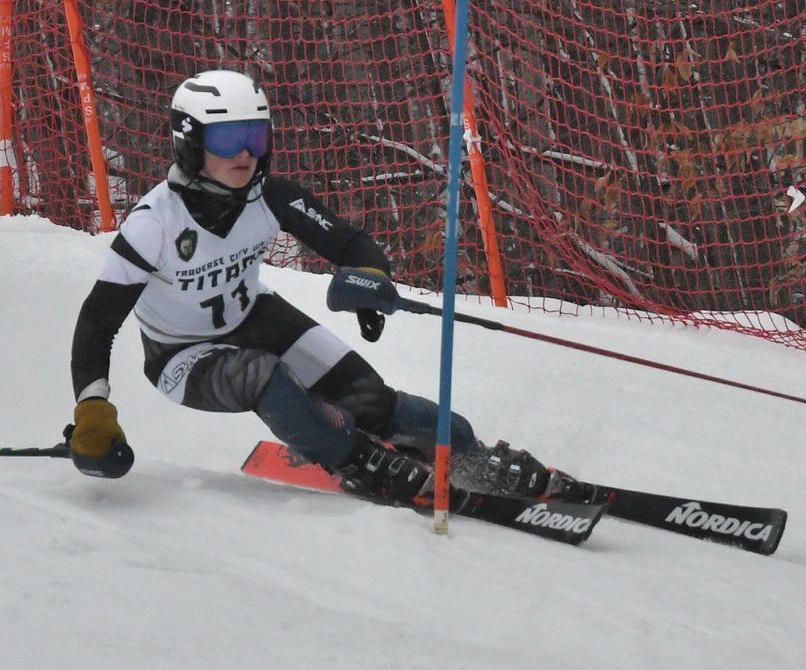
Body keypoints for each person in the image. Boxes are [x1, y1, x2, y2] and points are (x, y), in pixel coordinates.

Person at [66, 69, 593, 506]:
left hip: (255, 318)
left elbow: (349, 243)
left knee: (371, 400)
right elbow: (98, 322)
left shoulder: (269, 196)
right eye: (230, 139)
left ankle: (471, 456)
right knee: (261, 376)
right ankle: (359, 460)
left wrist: (370, 280)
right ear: (189, 142)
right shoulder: (153, 223)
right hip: (181, 353)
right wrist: (92, 408)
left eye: (257, 135)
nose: (247, 152)